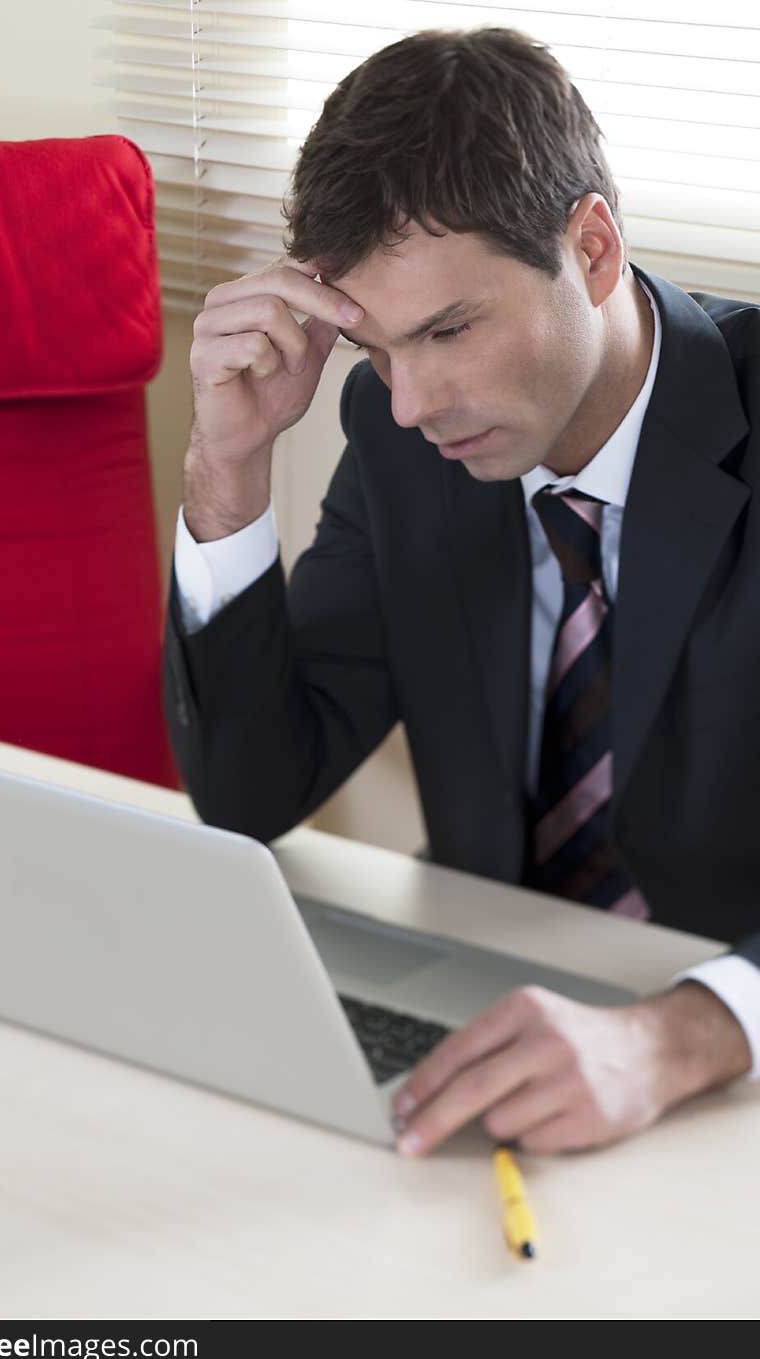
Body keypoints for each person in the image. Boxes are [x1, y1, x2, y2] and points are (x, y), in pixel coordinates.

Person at [163, 27, 760, 1157]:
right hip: (489, 1012)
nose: (409, 402)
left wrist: (687, 1032)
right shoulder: (402, 451)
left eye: (448, 329)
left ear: (589, 248)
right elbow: (251, 790)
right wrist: (225, 473)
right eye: (376, 350)